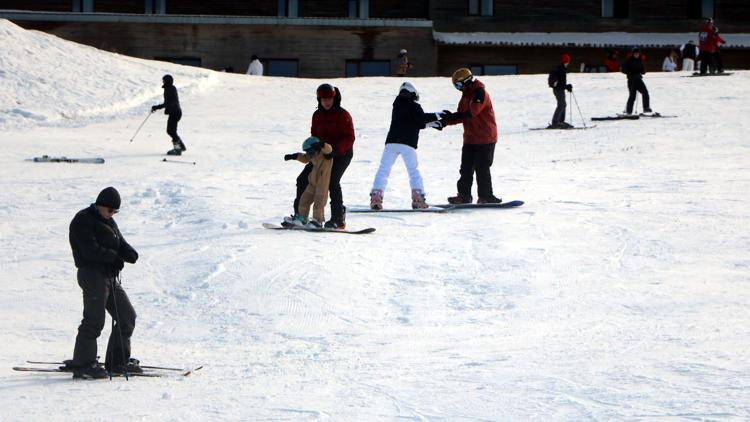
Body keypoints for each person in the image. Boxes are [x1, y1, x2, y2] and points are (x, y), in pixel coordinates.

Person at [66, 187, 140, 379]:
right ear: (100, 205)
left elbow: (119, 241)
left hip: (109, 276)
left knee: (126, 316)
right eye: (110, 211)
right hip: (92, 275)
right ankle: (83, 364)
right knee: (94, 320)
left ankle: (117, 361)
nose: (111, 215)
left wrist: (128, 253)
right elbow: (89, 250)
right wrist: (113, 257)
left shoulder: (108, 220)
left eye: (115, 212)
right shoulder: (82, 220)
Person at [369, 82, 444, 210]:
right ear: (413, 94)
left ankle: (376, 197)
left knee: (383, 170)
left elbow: (415, 122)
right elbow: (420, 121)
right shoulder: (415, 106)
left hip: (391, 142)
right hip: (407, 143)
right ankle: (418, 198)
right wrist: (438, 115)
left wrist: (432, 124)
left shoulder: (396, 105)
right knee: (413, 171)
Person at [294, 83, 355, 229]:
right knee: (303, 179)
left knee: (332, 182)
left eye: (329, 99)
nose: (327, 102)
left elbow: (350, 138)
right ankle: (299, 216)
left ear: (334, 99)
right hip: (321, 155)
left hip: (342, 154)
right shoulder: (317, 115)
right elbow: (314, 136)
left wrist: (336, 150)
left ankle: (338, 219)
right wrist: (312, 150)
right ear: (319, 100)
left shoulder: (343, 115)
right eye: (323, 99)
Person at [440, 68, 502, 205]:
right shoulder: (465, 95)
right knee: (465, 169)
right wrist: (444, 121)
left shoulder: (480, 93)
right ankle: (464, 196)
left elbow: (471, 113)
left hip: (485, 138)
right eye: (456, 86)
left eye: (459, 85)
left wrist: (452, 117)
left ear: (467, 81)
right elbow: (460, 116)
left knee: (482, 168)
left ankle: (486, 196)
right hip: (470, 138)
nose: (458, 88)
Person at [284, 137, 333, 227]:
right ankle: (302, 219)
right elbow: (304, 158)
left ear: (317, 148)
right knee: (303, 201)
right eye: (308, 152)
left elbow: (329, 149)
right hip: (312, 183)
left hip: (322, 184)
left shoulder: (326, 156)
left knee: (319, 203)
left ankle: (317, 221)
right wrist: (293, 156)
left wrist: (322, 144)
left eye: (310, 152)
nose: (309, 154)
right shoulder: (312, 156)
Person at [151, 74, 186, 156]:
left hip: (175, 112)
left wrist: (157, 107)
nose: (163, 81)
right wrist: (158, 107)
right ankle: (181, 146)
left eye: (164, 80)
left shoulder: (171, 89)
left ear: (167, 81)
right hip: (174, 112)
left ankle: (178, 149)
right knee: (171, 131)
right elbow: (167, 103)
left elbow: (169, 102)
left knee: (171, 131)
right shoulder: (168, 89)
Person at [621, 47, 652, 115]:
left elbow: (642, 69)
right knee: (632, 96)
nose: (636, 55)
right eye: (635, 53)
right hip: (632, 80)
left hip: (638, 80)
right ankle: (629, 111)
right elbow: (623, 70)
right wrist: (630, 72)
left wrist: (643, 71)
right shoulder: (629, 61)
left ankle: (646, 108)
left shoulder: (639, 61)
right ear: (633, 54)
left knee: (645, 92)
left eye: (638, 53)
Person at [547, 53, 574, 129]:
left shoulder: (561, 68)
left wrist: (566, 86)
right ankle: (556, 122)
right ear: (566, 61)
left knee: (563, 104)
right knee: (561, 105)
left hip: (558, 89)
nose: (568, 62)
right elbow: (561, 84)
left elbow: (561, 83)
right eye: (568, 61)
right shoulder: (561, 70)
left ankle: (560, 121)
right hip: (558, 90)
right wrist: (567, 86)